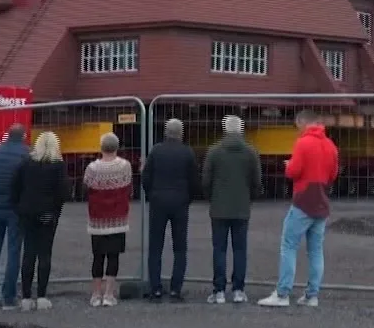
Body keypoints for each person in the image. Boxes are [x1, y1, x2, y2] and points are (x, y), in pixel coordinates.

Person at [258, 110, 337, 308]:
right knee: (316, 251)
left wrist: (288, 165)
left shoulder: (303, 143)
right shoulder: (330, 145)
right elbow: (332, 174)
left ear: (302, 122)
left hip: (303, 201)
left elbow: (294, 171)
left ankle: (283, 293)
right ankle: (312, 295)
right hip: (321, 202)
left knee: (289, 246)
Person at [201, 114, 262, 304]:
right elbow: (257, 182)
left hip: (219, 208)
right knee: (240, 249)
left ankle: (219, 290)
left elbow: (206, 181)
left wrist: (211, 198)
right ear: (241, 129)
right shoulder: (251, 152)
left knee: (219, 249)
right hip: (242, 208)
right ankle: (238, 290)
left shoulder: (214, 151)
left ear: (225, 129)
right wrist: (249, 198)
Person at [13, 130, 71, 310]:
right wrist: (55, 211)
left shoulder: (26, 163)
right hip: (47, 213)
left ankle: (26, 297)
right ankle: (43, 296)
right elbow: (63, 192)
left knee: (28, 253)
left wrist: (19, 207)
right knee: (45, 253)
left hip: (27, 212)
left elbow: (15, 187)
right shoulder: (58, 165)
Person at [144, 118, 196, 302]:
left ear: (166, 132)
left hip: (158, 200)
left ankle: (156, 288)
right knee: (180, 247)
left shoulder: (156, 151)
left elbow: (146, 176)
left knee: (155, 247)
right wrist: (188, 198)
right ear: (181, 133)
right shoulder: (187, 152)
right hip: (180, 201)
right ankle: (175, 289)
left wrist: (151, 194)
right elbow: (193, 179)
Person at [0, 123, 30, 309]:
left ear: (7, 135)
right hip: (16, 208)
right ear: (23, 136)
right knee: (14, 251)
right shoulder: (26, 154)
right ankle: (9, 296)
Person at [83, 131, 133, 307]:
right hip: (118, 219)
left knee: (98, 257)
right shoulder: (125, 166)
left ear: (101, 147)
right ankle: (109, 294)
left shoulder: (92, 168)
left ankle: (96, 294)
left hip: (97, 219)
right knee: (113, 257)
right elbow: (128, 187)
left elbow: (86, 187)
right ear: (117, 147)